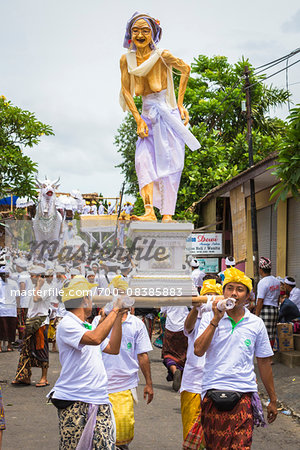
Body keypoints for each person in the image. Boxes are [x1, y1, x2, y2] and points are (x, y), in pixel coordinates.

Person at [120, 12, 200, 222]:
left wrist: (180, 103)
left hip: (166, 115)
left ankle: (167, 214)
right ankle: (149, 211)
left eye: (145, 30)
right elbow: (126, 91)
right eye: (135, 30)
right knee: (142, 162)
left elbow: (185, 69)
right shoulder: (126, 60)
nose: (140, 34)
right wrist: (138, 119)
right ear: (130, 34)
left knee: (170, 164)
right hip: (146, 116)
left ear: (153, 33)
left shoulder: (162, 55)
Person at [194, 267, 278, 450]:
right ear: (223, 292)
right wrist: (215, 320)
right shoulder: (210, 317)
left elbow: (264, 362)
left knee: (241, 446)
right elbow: (198, 350)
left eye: (240, 289)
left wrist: (273, 399)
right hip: (212, 391)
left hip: (243, 395)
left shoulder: (256, 323)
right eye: (229, 288)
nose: (234, 293)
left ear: (248, 296)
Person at [47, 277, 127, 449]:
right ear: (84, 299)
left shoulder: (86, 325)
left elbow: (113, 348)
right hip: (75, 400)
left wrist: (118, 316)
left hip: (98, 399)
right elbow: (96, 338)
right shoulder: (66, 324)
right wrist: (116, 309)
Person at [100, 305, 153, 449]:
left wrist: (149, 383)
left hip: (125, 386)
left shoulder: (137, 324)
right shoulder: (100, 321)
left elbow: (142, 355)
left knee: (122, 435)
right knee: (100, 435)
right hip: (100, 386)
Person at [181, 279, 223, 450]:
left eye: (213, 296)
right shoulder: (195, 317)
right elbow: (187, 327)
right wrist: (197, 307)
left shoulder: (223, 319)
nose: (210, 300)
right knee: (191, 432)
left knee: (213, 433)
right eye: (206, 296)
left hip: (214, 382)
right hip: (192, 381)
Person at [12, 266, 51, 387]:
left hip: (41, 322)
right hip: (31, 321)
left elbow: (35, 299)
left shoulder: (46, 288)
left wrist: (39, 285)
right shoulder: (33, 287)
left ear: (40, 276)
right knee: (26, 349)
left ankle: (44, 378)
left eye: (33, 275)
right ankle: (24, 376)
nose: (30, 277)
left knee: (41, 349)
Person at [160, 306, 189, 391]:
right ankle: (181, 377)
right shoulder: (189, 292)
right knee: (183, 354)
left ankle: (174, 370)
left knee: (168, 354)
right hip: (184, 327)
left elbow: (163, 311)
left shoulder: (168, 293)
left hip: (170, 328)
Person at [255, 257, 280, 346]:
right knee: (272, 334)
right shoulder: (277, 281)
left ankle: (265, 354)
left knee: (264, 334)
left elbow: (260, 301)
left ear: (261, 269)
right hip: (275, 310)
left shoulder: (263, 282)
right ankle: (270, 352)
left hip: (265, 310)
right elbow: (278, 297)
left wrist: (256, 316)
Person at [0, 267, 18, 352]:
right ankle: (0, 346)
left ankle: (9, 346)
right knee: (1, 329)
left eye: (5, 274)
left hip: (12, 309)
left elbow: (17, 296)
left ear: (8, 275)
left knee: (11, 329)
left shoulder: (14, 283)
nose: (4, 276)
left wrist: (18, 307)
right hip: (1, 309)